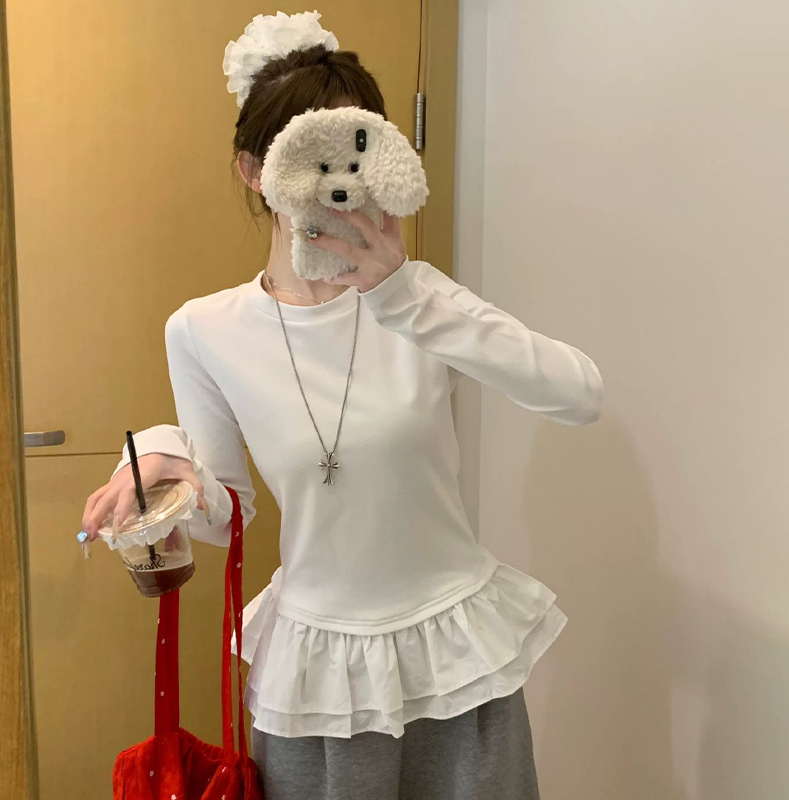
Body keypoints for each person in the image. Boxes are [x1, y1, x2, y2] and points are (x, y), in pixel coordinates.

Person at [80, 11, 603, 800]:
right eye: (306, 155)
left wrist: (405, 296)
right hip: (315, 676)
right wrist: (166, 455)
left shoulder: (419, 300)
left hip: (454, 659)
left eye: (357, 150)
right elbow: (227, 516)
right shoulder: (202, 329)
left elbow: (578, 395)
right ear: (253, 170)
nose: (335, 180)